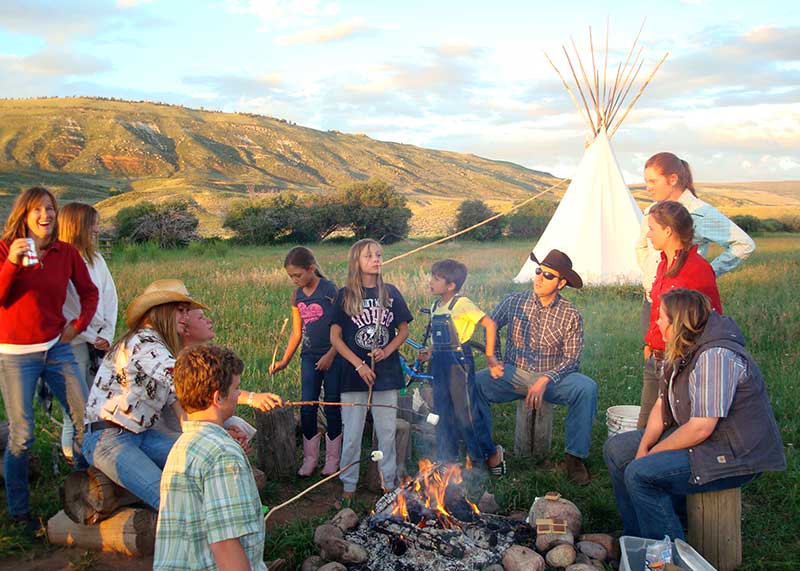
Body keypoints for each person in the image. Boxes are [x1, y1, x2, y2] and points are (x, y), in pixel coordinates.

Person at [603, 288, 786, 540]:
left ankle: (668, 555)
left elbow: (701, 427)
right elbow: (660, 405)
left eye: (662, 317)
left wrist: (652, 455)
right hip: (702, 442)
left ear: (678, 323)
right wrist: (644, 446)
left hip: (732, 453)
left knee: (640, 474)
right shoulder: (681, 348)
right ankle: (637, 536)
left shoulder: (716, 356)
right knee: (617, 449)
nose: (656, 321)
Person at [0, 187, 99, 532]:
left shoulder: (65, 252)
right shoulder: (4, 250)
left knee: (84, 417)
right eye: (38, 210)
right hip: (15, 355)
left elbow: (89, 292)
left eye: (51, 210)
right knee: (22, 433)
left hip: (56, 346)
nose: (46, 216)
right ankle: (20, 513)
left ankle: (82, 494)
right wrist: (12, 262)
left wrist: (78, 326)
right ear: (24, 215)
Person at [473, 249, 597, 484]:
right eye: (539, 271)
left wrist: (545, 379)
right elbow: (490, 324)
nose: (539, 278)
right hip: (513, 373)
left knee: (586, 388)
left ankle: (575, 458)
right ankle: (485, 452)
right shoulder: (514, 301)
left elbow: (572, 359)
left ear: (561, 283)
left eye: (548, 275)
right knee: (474, 384)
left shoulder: (570, 314)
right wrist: (494, 358)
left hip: (552, 379)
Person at [81, 279, 204, 510]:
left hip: (140, 435)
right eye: (181, 311)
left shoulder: (159, 347)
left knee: (201, 459)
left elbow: (179, 404)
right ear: (163, 312)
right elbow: (185, 381)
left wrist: (208, 433)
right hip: (107, 438)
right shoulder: (145, 342)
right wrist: (246, 397)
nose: (186, 318)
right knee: (169, 499)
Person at [155, 344, 267, 571]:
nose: (238, 394)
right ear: (218, 397)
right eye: (236, 388)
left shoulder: (184, 444)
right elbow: (226, 544)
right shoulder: (223, 455)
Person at [330, 239, 413, 500]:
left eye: (379, 255)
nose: (377, 260)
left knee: (386, 433)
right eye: (369, 256)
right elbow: (335, 337)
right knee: (352, 435)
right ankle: (349, 486)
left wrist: (387, 351)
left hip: (386, 374)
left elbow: (403, 329)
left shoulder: (390, 292)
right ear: (357, 261)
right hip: (353, 375)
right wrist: (359, 364)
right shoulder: (345, 295)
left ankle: (388, 485)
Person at [635, 152, 753, 333]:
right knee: (654, 356)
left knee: (684, 355)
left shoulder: (700, 212)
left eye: (653, 181)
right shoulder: (652, 210)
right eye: (646, 181)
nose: (648, 188)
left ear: (672, 179)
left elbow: (744, 244)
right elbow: (642, 245)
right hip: (653, 298)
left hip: (684, 303)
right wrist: (653, 276)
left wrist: (709, 271)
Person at [637, 201, 723, 428]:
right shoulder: (663, 265)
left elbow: (710, 322)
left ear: (668, 230)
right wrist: (650, 342)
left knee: (671, 428)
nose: (648, 234)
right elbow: (658, 309)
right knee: (645, 427)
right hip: (656, 358)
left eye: (652, 228)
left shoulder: (697, 269)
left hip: (679, 362)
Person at [418, 259, 503, 463]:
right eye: (432, 277)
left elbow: (490, 325)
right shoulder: (435, 305)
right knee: (442, 411)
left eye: (436, 279)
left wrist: (490, 357)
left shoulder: (462, 304)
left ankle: (484, 455)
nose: (431, 281)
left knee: (465, 413)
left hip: (459, 363)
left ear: (451, 286)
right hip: (439, 363)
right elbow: (439, 338)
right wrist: (430, 351)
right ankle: (448, 459)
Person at [270, 246, 342, 477]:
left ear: (311, 269)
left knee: (332, 404)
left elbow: (342, 328)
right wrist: (284, 361)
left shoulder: (330, 290)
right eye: (291, 276)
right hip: (309, 356)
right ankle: (310, 458)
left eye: (298, 275)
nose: (294, 280)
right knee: (307, 405)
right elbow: (296, 333)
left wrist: (331, 354)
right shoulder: (297, 296)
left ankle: (332, 459)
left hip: (333, 355)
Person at [58, 202, 119, 463]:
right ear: (79, 226)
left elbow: (109, 295)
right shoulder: (60, 261)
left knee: (99, 398)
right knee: (75, 404)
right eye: (93, 224)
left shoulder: (96, 259)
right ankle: (75, 460)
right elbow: (66, 308)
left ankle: (94, 453)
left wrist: (107, 331)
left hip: (98, 340)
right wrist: (92, 336)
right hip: (72, 341)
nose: (97, 229)